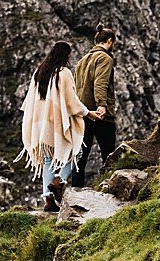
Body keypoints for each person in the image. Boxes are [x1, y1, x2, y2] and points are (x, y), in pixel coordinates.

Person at [19, 40, 104, 212]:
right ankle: (60, 181)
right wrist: (89, 113)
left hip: (39, 124)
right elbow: (72, 101)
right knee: (76, 151)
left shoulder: (39, 72)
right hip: (55, 121)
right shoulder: (63, 73)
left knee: (48, 161)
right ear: (66, 55)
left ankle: (48, 199)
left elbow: (29, 101)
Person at [74, 26, 118, 183]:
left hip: (83, 113)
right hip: (100, 115)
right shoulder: (105, 58)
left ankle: (75, 190)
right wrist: (102, 105)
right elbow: (101, 82)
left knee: (81, 155)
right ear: (109, 41)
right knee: (109, 154)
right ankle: (110, 185)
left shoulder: (82, 60)